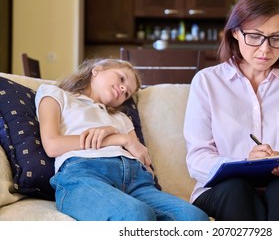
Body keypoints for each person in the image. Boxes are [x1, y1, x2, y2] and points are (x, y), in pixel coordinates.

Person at [183, 0, 279, 221]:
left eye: (276, 38)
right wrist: (243, 164)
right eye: (254, 36)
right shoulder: (207, 82)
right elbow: (198, 157)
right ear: (234, 32)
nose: (265, 49)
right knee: (237, 188)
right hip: (224, 190)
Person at [35, 58, 209, 221]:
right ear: (97, 69)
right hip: (85, 174)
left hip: (137, 181)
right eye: (122, 78)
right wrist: (118, 138)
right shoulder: (57, 95)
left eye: (128, 94)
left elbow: (143, 159)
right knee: (137, 215)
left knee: (194, 217)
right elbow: (52, 145)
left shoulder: (122, 118)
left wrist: (138, 156)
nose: (124, 89)